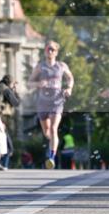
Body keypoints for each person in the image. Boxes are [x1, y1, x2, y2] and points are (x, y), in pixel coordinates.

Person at [28, 41, 74, 169]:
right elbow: (30, 82)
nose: (50, 51)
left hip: (57, 100)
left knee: (54, 129)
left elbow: (70, 78)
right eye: (48, 49)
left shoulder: (61, 66)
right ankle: (53, 142)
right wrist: (38, 84)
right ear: (44, 51)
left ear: (56, 52)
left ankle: (51, 157)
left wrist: (69, 88)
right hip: (43, 102)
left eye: (52, 49)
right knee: (47, 132)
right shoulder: (40, 67)